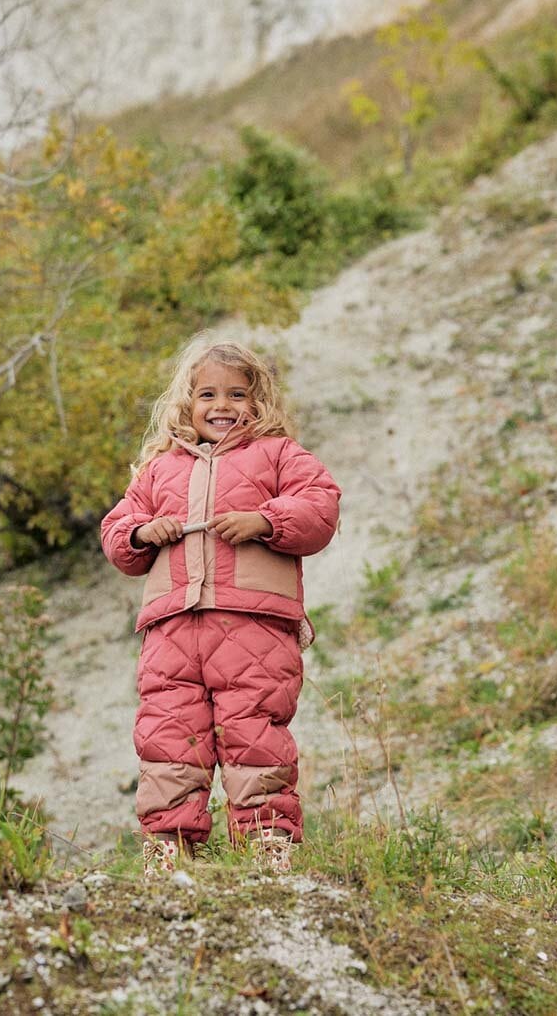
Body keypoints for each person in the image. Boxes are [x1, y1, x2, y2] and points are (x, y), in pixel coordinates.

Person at [100, 336, 340, 877]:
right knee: (168, 739)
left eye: (238, 394)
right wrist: (141, 532)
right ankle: (169, 853)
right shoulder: (159, 469)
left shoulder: (279, 455)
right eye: (207, 394)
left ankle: (266, 849)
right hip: (171, 635)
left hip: (255, 630)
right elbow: (115, 532)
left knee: (255, 736)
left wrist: (266, 520)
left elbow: (320, 506)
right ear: (186, 403)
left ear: (262, 402)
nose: (223, 406)